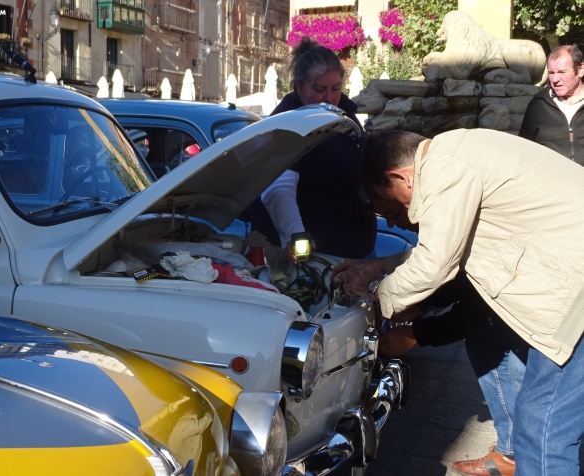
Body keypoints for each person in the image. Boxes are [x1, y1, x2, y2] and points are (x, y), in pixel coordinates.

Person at [341, 128, 584, 475]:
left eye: (398, 207)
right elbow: (457, 254)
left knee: (543, 425)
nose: (407, 220)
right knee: (512, 375)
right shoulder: (457, 154)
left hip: (574, 290)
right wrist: (381, 268)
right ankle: (517, 455)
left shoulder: (444, 167)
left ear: (400, 178)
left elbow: (436, 263)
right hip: (568, 277)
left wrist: (378, 305)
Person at [349, 194, 524, 476]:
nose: (393, 223)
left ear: (406, 186)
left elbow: (480, 305)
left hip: (547, 304)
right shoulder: (452, 208)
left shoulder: (450, 209)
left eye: (394, 212)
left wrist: (418, 333)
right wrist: (422, 306)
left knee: (507, 362)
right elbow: (464, 278)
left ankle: (514, 455)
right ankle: (514, 449)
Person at [250, 37, 376, 263]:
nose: (329, 98)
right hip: (311, 256)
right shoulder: (286, 122)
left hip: (351, 249)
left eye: (336, 88)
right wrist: (294, 235)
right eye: (319, 89)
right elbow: (278, 189)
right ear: (299, 87)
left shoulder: (345, 115)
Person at [520, 45, 584, 164]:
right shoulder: (538, 105)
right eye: (551, 73)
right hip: (551, 181)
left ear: (581, 69)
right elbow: (525, 152)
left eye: (562, 72)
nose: (555, 79)